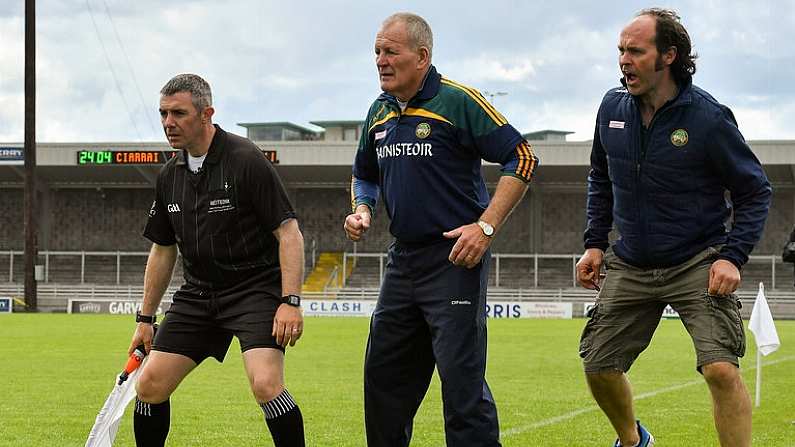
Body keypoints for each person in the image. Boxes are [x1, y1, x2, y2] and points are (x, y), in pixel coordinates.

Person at [576, 8, 771, 447]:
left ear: (668, 56)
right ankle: (634, 441)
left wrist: (731, 256)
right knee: (598, 365)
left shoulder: (707, 118)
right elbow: (600, 177)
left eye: (635, 51)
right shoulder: (611, 108)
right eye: (621, 50)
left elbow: (755, 190)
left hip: (696, 262)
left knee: (720, 368)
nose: (624, 59)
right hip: (630, 261)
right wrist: (593, 244)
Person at [344, 12, 538, 447]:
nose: (380, 60)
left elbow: (522, 157)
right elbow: (364, 173)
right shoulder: (378, 112)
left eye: (391, 51)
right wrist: (362, 209)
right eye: (377, 51)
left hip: (455, 259)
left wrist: (484, 227)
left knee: (461, 385)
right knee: (383, 380)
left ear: (422, 56)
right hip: (403, 261)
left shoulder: (458, 101)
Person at [129, 73, 306, 446]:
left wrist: (290, 301)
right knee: (149, 386)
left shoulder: (245, 159)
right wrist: (145, 319)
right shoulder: (168, 175)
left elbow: (288, 233)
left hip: (255, 290)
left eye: (178, 113)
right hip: (198, 294)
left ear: (207, 113)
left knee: (266, 384)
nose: (167, 123)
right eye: (162, 113)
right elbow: (163, 249)